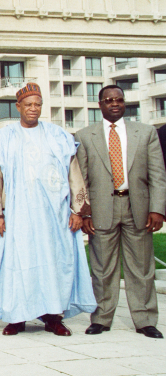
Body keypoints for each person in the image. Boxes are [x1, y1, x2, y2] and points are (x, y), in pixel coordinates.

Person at [0, 83, 96, 335]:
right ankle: (17, 317)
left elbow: (73, 173)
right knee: (19, 262)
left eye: (38, 104)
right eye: (29, 104)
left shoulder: (58, 136)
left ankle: (53, 316)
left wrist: (78, 210)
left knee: (53, 262)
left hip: (53, 216)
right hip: (18, 215)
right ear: (18, 106)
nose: (34, 109)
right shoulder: (4, 138)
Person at [76, 85, 166, 339]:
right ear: (100, 105)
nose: (114, 104)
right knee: (103, 268)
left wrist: (157, 209)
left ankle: (146, 320)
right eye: (108, 100)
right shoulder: (85, 136)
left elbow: (158, 176)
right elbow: (80, 180)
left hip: (137, 207)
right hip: (101, 209)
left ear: (124, 103)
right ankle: (102, 318)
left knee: (141, 267)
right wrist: (84, 213)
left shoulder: (146, 133)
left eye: (119, 100)